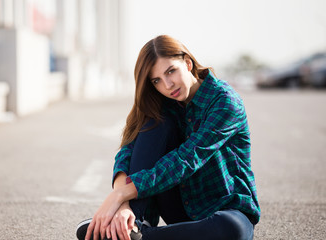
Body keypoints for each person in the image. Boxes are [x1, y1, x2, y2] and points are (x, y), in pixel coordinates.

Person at [76, 35, 260, 240]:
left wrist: (120, 194)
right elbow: (129, 148)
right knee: (155, 122)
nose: (168, 85)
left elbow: (187, 159)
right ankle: (131, 224)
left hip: (227, 209)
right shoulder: (164, 104)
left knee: (232, 230)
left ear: (188, 63)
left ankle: (137, 236)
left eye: (171, 71)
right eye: (157, 81)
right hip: (180, 207)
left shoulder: (225, 102)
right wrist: (122, 203)